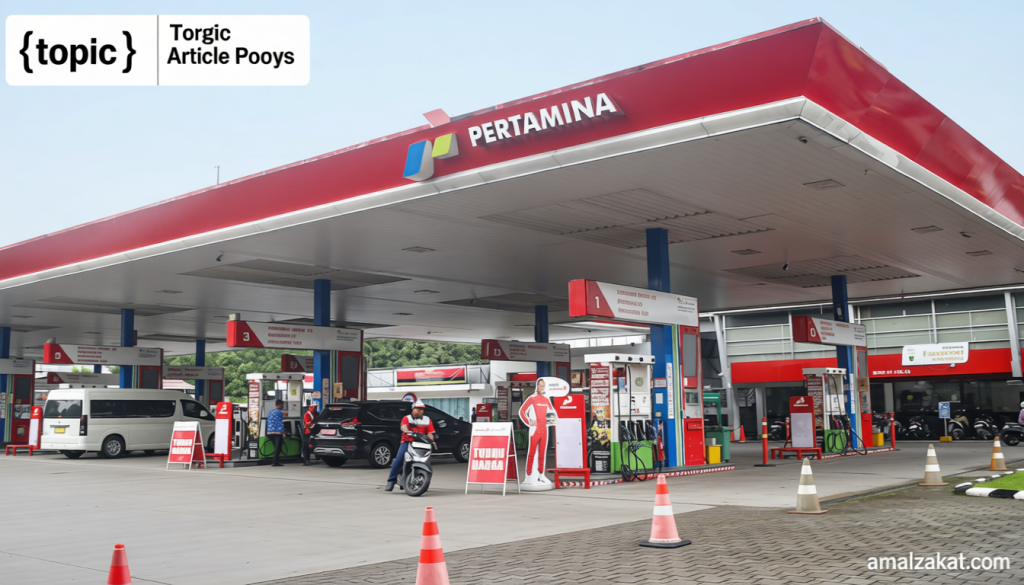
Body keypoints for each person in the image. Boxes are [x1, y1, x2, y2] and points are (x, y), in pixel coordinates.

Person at [386, 401, 436, 492]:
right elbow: (404, 427)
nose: (420, 411)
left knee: (427, 462)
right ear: (413, 409)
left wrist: (431, 440)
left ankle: (424, 482)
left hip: (422, 443)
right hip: (407, 442)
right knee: (399, 459)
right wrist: (407, 431)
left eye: (422, 409)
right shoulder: (406, 418)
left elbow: (430, 432)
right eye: (418, 409)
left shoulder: (427, 419)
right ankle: (391, 481)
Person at [518, 379, 557, 485]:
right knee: (532, 452)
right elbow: (522, 411)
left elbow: (552, 413)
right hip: (535, 429)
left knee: (542, 453)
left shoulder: (546, 399)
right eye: (540, 385)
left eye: (543, 386)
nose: (541, 387)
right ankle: (529, 475)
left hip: (544, 429)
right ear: (537, 386)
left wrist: (551, 421)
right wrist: (529, 421)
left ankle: (541, 475)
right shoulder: (532, 398)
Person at [266, 400, 287, 467]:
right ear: (280, 405)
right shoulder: (279, 412)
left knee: (276, 447)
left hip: (270, 432)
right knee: (278, 448)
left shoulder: (271, 412)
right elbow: (279, 423)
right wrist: (283, 432)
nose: (283, 406)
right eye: (282, 405)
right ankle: (275, 463)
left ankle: (275, 462)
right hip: (277, 432)